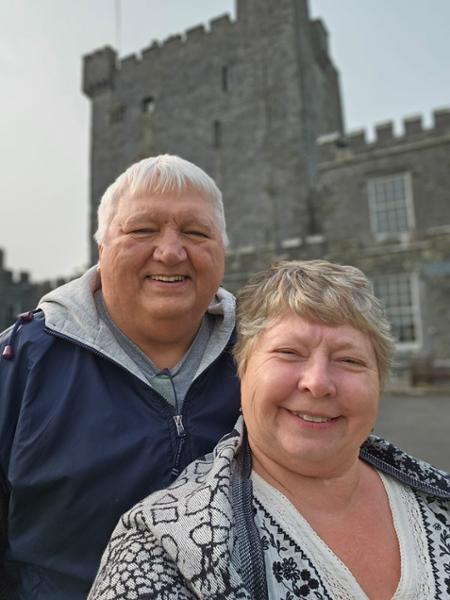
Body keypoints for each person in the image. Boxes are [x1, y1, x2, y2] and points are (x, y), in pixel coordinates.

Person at [89, 260, 450, 600]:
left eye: (349, 360)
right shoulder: (162, 548)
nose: (317, 383)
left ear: (378, 382)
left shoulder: (437, 499)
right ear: (242, 370)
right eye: (289, 352)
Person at [0, 155, 241, 599]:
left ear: (221, 251)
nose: (170, 251)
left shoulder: (270, 359)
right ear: (103, 247)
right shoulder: (18, 364)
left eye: (196, 232)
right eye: (142, 230)